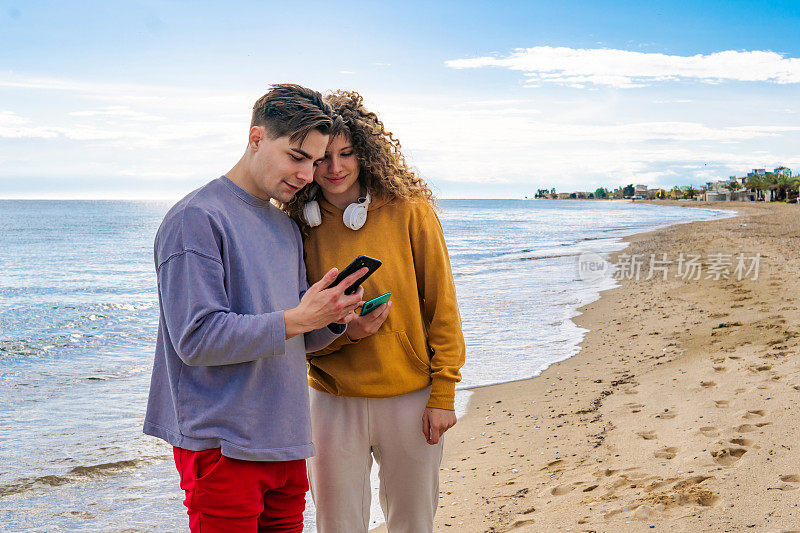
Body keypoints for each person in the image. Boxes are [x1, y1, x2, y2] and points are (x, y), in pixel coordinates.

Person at [143, 84, 368, 533]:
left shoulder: (283, 226)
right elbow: (197, 338)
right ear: (256, 138)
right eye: (297, 156)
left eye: (315, 161)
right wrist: (300, 318)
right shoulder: (196, 218)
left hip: (286, 440)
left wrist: (337, 322)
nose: (308, 174)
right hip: (221, 444)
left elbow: (292, 334)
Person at [282, 90, 466, 532]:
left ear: (365, 153)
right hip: (330, 399)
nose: (335, 168)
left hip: (410, 396)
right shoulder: (293, 223)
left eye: (347, 153)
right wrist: (348, 332)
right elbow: (295, 320)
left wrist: (443, 394)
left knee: (412, 523)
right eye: (323, 157)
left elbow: (442, 305)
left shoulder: (410, 210)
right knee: (337, 524)